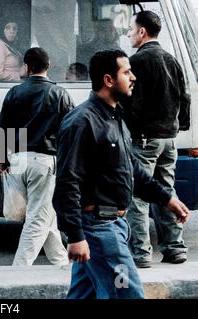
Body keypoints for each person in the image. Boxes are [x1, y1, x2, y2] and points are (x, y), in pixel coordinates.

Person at [53, 49, 190, 299]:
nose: (133, 77)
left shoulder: (115, 118)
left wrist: (167, 199)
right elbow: (67, 182)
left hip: (112, 226)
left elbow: (132, 171)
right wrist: (76, 236)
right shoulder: (82, 122)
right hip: (99, 230)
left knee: (84, 294)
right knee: (128, 293)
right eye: (126, 72)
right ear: (108, 80)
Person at [0, 47, 73, 266]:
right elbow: (72, 131)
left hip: (18, 161)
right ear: (48, 66)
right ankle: (19, 270)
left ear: (27, 68)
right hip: (44, 162)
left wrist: (1, 158)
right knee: (39, 217)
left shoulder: (14, 93)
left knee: (46, 216)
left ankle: (62, 264)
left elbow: (2, 129)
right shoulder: (60, 94)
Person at [124, 11, 191, 268]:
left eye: (131, 29)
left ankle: (140, 253)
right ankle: (175, 248)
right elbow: (184, 97)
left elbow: (133, 102)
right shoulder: (172, 60)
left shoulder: (137, 62)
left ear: (142, 32)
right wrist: (179, 126)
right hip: (169, 138)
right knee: (166, 192)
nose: (128, 33)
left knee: (138, 197)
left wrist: (130, 130)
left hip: (144, 139)